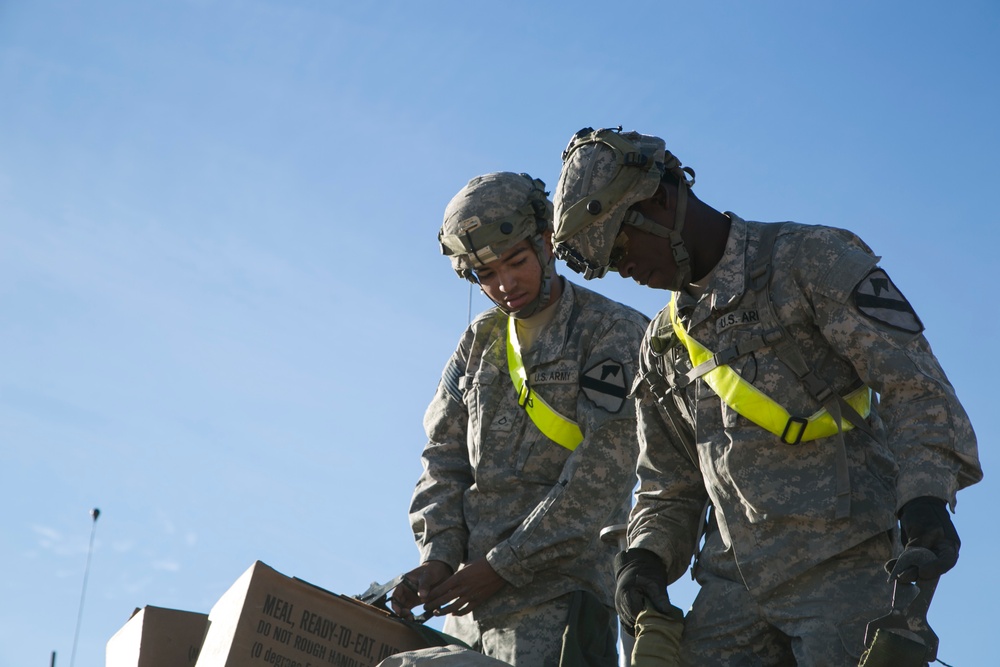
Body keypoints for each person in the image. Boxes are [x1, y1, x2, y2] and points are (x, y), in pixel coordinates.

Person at [549, 127, 983, 665]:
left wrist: (926, 496)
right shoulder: (661, 345)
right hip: (733, 588)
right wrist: (646, 557)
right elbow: (669, 483)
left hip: (845, 570)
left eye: (620, 246)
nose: (626, 271)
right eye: (609, 265)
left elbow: (913, 385)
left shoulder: (810, 261)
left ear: (659, 202)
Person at [385, 171, 649, 666]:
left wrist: (504, 565)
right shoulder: (479, 343)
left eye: (516, 262)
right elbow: (443, 457)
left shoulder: (612, 332)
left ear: (547, 243)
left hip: (560, 602)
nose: (504, 284)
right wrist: (438, 556)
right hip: (467, 612)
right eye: (485, 275)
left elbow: (601, 476)